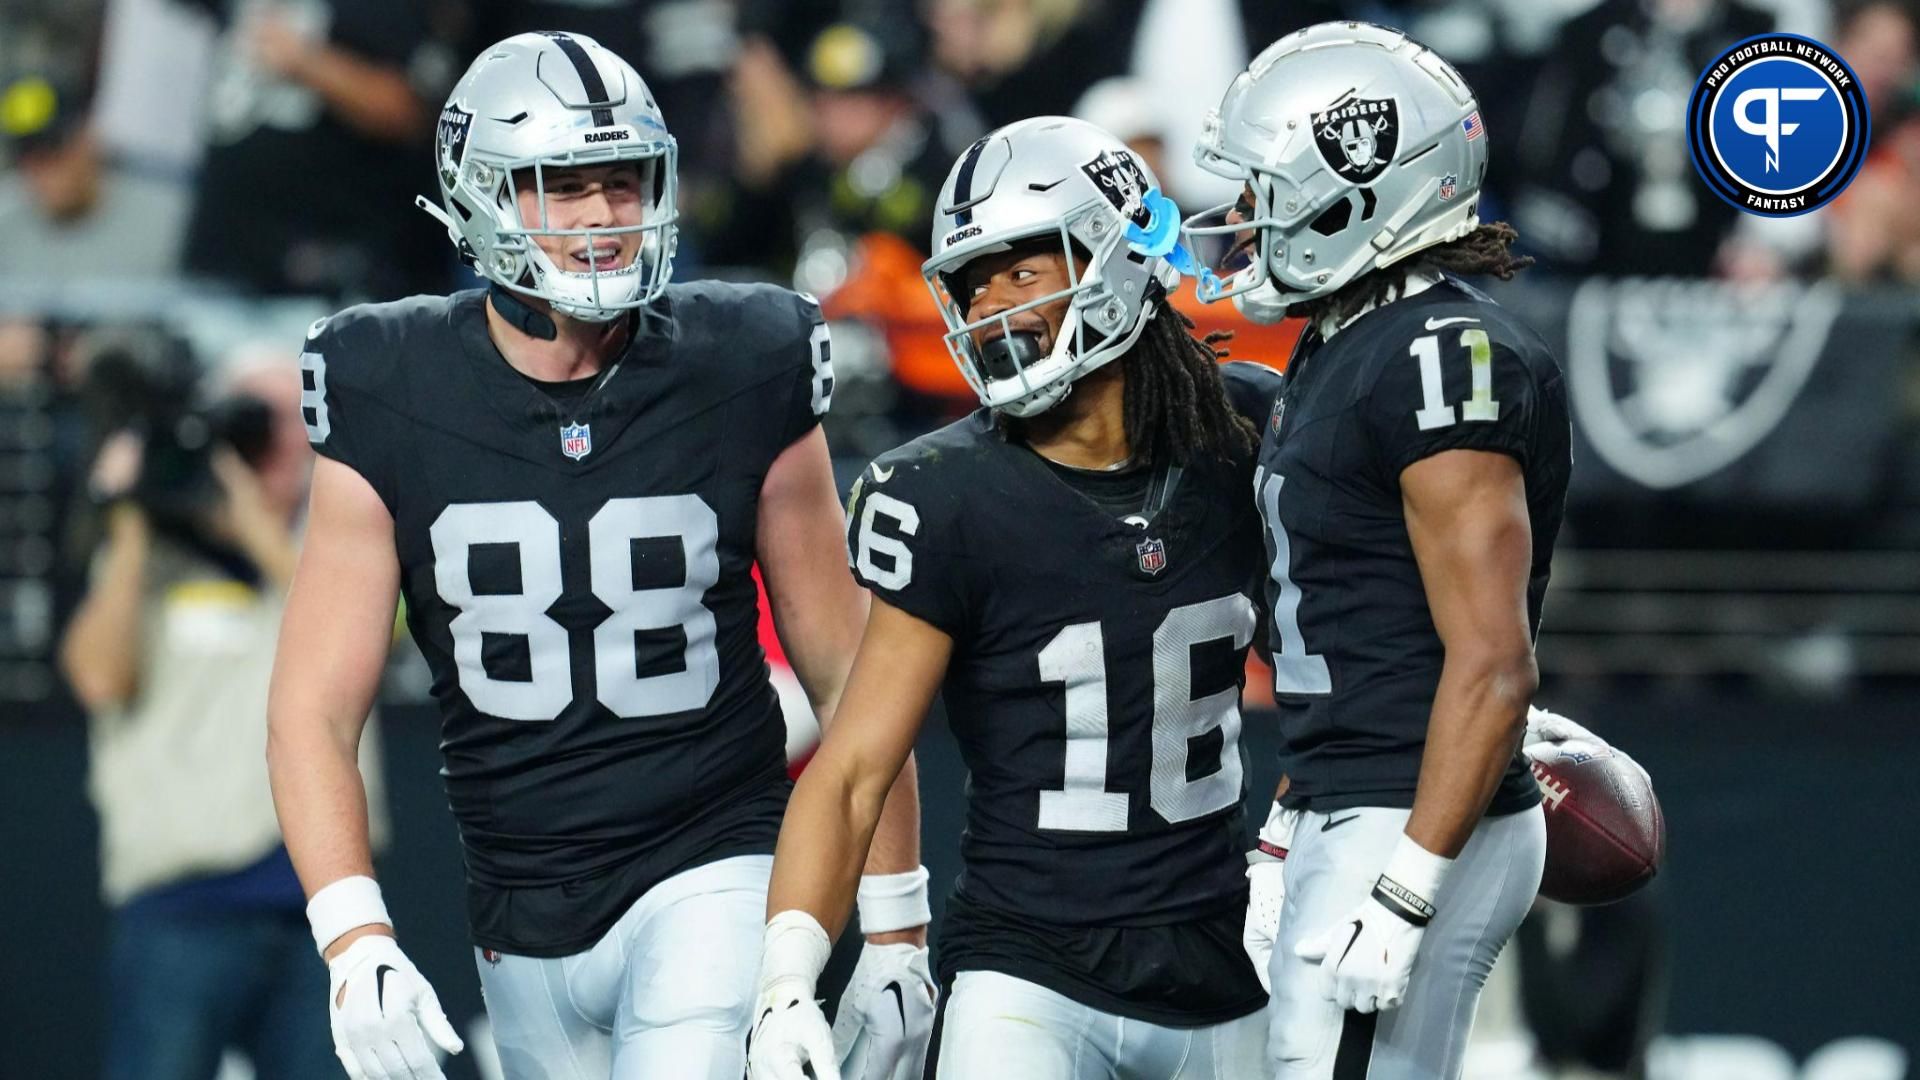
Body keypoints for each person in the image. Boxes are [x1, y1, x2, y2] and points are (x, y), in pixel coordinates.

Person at [265, 32, 930, 1080]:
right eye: (561, 188)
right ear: (481, 194)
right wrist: (353, 938)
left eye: (623, 185)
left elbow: (850, 674)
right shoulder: (388, 381)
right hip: (518, 899)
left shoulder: (743, 357)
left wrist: (897, 925)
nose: (603, 220)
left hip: (715, 857)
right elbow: (313, 706)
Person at [748, 117, 1278, 1080]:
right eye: (970, 283)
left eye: (1021, 272)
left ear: (1116, 258)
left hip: (1224, 958)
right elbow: (857, 762)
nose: (991, 308)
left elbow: (1344, 667)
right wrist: (789, 978)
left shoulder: (1245, 430)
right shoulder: (945, 492)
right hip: (1027, 969)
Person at [1184, 22, 1572, 1079]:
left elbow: (1491, 663)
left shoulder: (1442, 355)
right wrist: (1285, 830)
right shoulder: (1351, 343)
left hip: (1412, 814)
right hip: (1350, 793)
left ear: (1355, 192)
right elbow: (1356, 632)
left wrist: (1406, 891)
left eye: (1266, 191)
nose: (1244, 219)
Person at [60, 353, 363, 1080]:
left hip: (328, 915)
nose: (284, 442)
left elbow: (357, 635)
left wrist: (250, 520)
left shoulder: (352, 550)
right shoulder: (151, 567)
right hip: (179, 913)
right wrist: (129, 523)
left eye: (301, 422)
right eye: (259, 424)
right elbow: (98, 678)